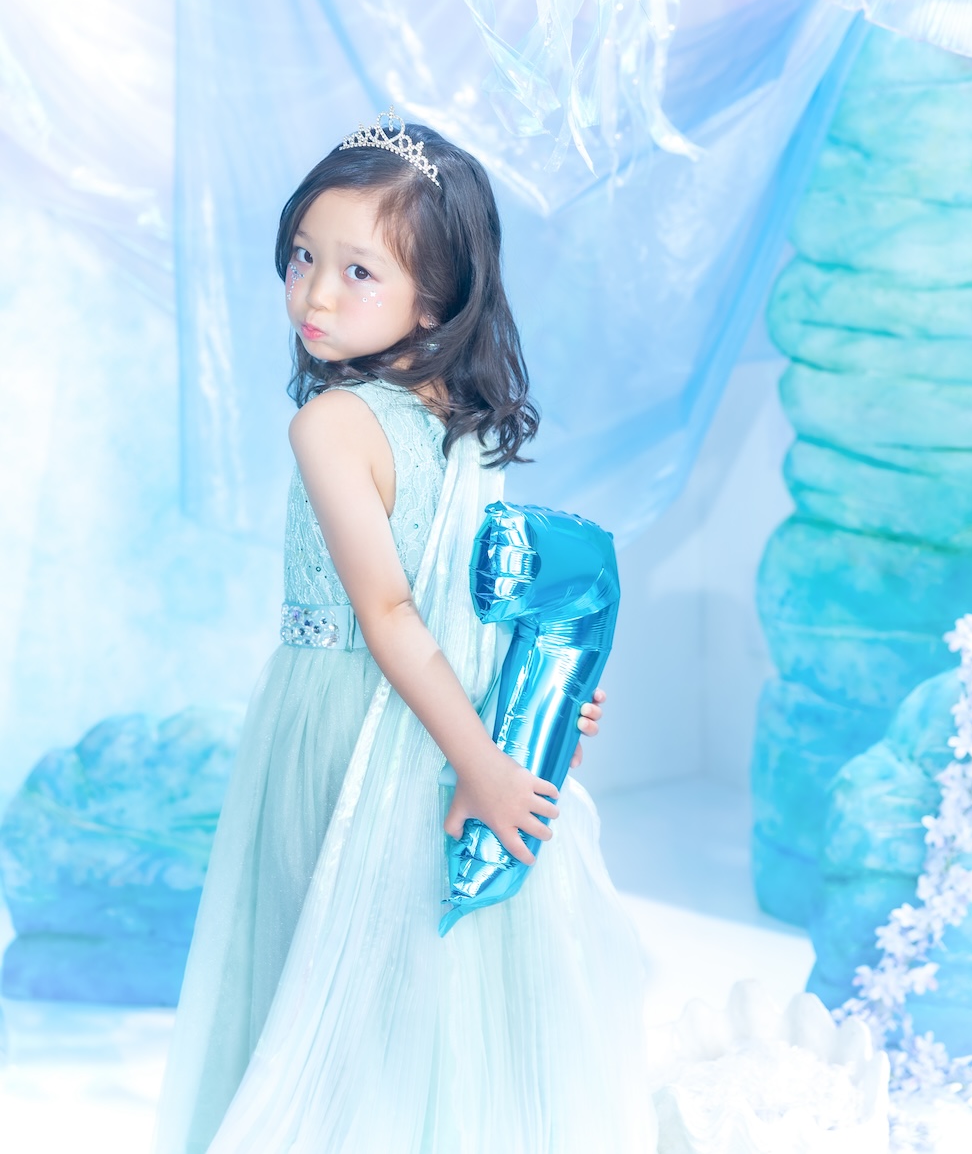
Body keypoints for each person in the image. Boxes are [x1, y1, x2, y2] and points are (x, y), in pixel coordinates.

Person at [154, 114, 658, 1154]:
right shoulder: (449, 423)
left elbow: (392, 612)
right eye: (303, 256)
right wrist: (520, 712)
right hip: (446, 712)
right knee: (428, 974)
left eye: (358, 272)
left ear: (436, 298)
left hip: (353, 722)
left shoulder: (332, 422)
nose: (315, 295)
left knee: (334, 965)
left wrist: (488, 760)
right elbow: (462, 601)